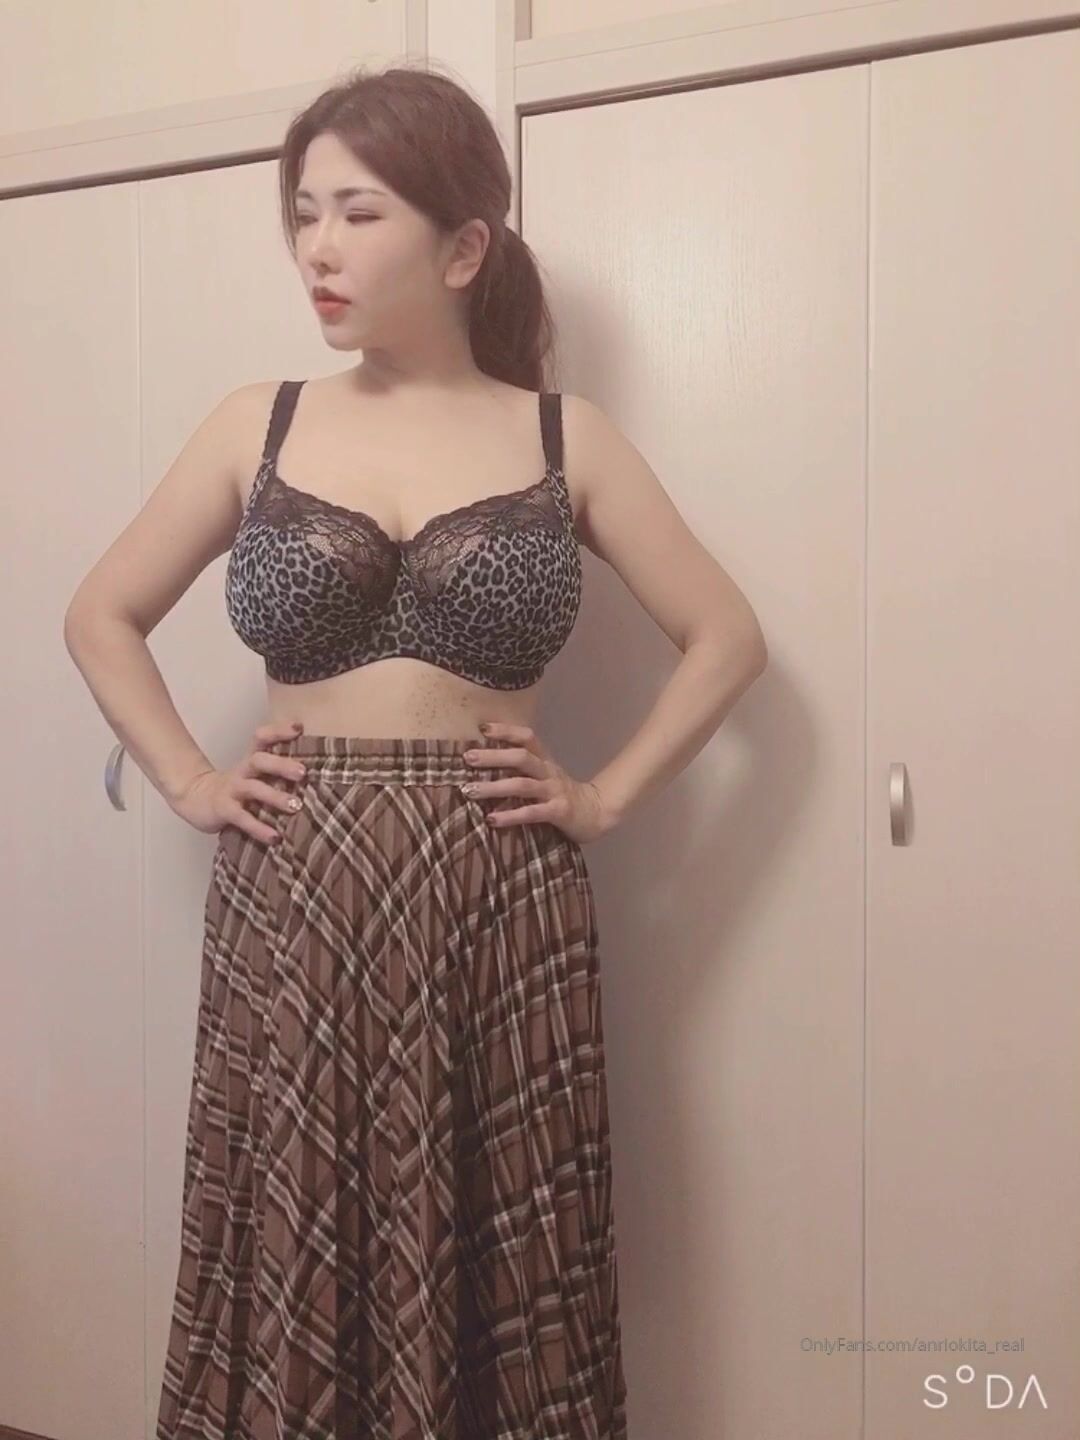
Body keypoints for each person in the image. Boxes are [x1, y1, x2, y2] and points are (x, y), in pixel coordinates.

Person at [63, 59, 767, 1440]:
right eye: (303, 214)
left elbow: (726, 637)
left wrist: (604, 795)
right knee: (297, 1217)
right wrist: (191, 780)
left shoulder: (563, 437)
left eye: (357, 212)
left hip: (497, 889)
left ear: (461, 248)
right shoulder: (258, 421)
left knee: (501, 1226)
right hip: (297, 884)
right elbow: (100, 614)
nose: (317, 248)